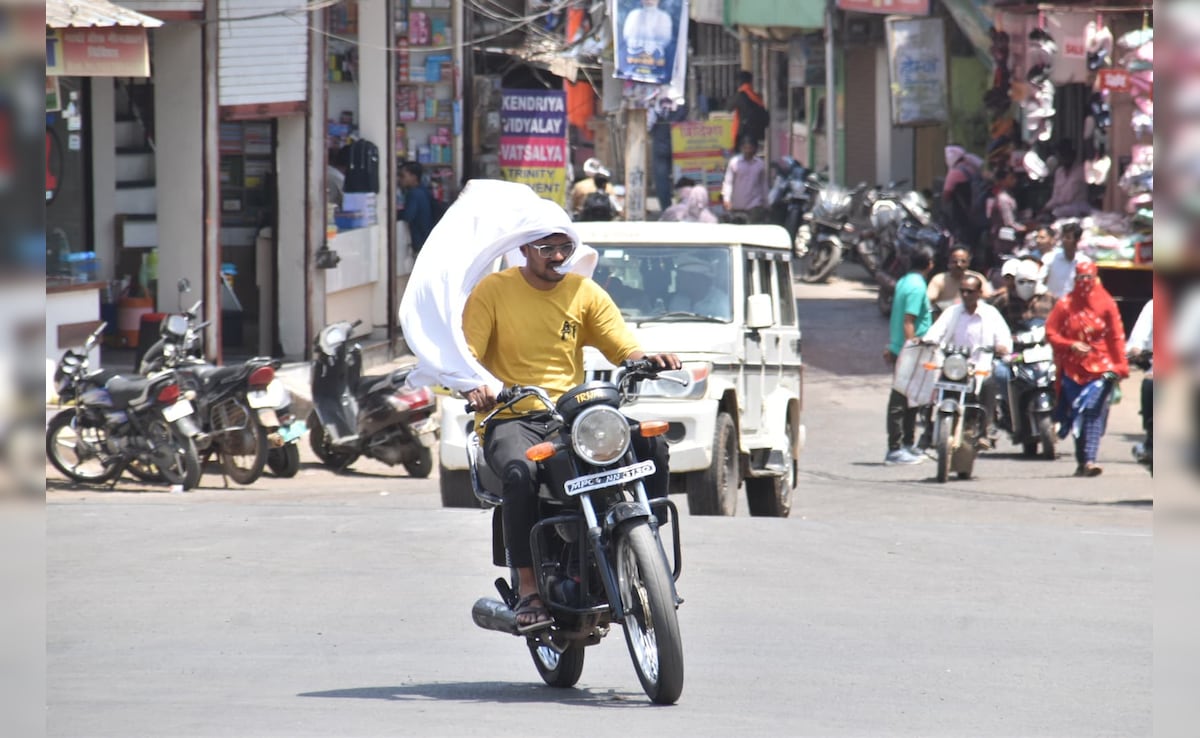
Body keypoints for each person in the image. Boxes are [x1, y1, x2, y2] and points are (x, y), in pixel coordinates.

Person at [463, 230, 680, 632]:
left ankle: (647, 549)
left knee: (651, 443)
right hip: (512, 416)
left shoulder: (584, 291)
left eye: (566, 248)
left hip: (571, 414)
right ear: (524, 249)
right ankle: (529, 589)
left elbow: (621, 344)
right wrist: (476, 386)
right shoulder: (493, 291)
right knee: (519, 472)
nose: (559, 256)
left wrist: (645, 359)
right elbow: (468, 356)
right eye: (547, 249)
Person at [1045, 262, 1129, 477]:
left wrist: (1121, 366)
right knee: (1077, 413)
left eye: (1088, 278)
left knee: (1091, 409)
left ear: (1095, 278)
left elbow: (1116, 336)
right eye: (1080, 278)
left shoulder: (1106, 304)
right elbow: (1051, 333)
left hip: (1102, 367)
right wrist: (1070, 344)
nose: (1084, 283)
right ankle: (1082, 460)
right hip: (1072, 370)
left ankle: (1091, 460)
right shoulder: (1065, 305)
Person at [922, 273, 1013, 447]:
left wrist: (1001, 346)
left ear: (979, 293)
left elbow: (1004, 338)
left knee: (988, 382)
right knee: (929, 379)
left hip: (979, 365)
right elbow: (936, 332)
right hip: (953, 365)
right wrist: (928, 340)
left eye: (970, 292)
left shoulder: (990, 313)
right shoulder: (952, 312)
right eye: (962, 291)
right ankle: (927, 429)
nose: (965, 295)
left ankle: (986, 428)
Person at [884, 245, 936, 465]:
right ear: (930, 265)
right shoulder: (917, 287)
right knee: (900, 400)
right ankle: (895, 449)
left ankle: (907, 444)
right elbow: (908, 320)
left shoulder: (906, 281)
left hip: (903, 348)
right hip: (909, 350)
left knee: (910, 399)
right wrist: (912, 348)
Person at [990, 258, 1055, 331]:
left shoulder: (1050, 298)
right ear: (1015, 281)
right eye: (1022, 282)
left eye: (1030, 282)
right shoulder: (1005, 300)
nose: (1026, 285)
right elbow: (992, 321)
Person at [926, 247, 993, 315]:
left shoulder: (976, 278)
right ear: (949, 263)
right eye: (955, 261)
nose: (959, 265)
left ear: (968, 263)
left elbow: (988, 298)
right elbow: (928, 300)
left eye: (963, 261)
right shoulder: (939, 279)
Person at [1126, 299, 1153, 465]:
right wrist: (1136, 350)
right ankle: (1151, 443)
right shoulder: (1153, 306)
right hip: (1159, 371)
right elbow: (1138, 338)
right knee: (1150, 383)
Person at [721, 135, 768, 224]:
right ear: (741, 148)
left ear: (755, 149)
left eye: (750, 148)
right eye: (745, 148)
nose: (748, 151)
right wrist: (726, 199)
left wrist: (766, 203)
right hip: (737, 205)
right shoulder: (734, 163)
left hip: (754, 204)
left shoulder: (760, 164)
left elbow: (763, 184)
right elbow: (728, 182)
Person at [1041, 138, 1091, 219]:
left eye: (1065, 154)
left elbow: (1067, 198)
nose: (1063, 158)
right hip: (1061, 212)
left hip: (1079, 211)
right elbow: (1055, 196)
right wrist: (1045, 207)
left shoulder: (1081, 171)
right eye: (1061, 155)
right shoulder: (1059, 172)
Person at [1041, 221, 1090, 299]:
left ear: (1077, 240)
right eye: (1063, 237)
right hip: (1053, 304)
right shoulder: (1050, 258)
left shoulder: (1085, 262)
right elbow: (1040, 280)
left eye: (1068, 238)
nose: (1064, 240)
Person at [987, 166, 1023, 258]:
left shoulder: (1009, 196)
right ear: (1002, 180)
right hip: (1004, 240)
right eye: (1011, 178)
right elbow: (1008, 222)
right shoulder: (1003, 198)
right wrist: (1024, 228)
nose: (1014, 180)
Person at [399, 161, 434, 253]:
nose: (400, 179)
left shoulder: (414, 194)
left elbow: (408, 216)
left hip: (420, 243)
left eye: (403, 176)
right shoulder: (425, 191)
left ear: (414, 177)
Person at [729, 70, 767, 146]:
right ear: (750, 81)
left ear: (739, 81)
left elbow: (728, 108)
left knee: (741, 156)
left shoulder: (740, 95)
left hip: (741, 133)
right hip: (755, 133)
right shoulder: (756, 96)